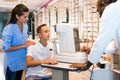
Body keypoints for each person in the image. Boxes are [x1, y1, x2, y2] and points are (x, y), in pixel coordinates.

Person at [70, 0, 118, 70]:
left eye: (99, 12)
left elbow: (102, 41)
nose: (100, 17)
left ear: (103, 5)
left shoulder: (111, 9)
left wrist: (86, 66)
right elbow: (114, 45)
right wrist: (92, 50)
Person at [2, 4, 35, 80]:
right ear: (17, 16)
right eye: (25, 17)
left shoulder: (25, 26)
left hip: (21, 61)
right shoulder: (9, 28)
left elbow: (23, 40)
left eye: (28, 16)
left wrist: (33, 42)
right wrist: (24, 46)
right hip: (12, 63)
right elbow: (6, 48)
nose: (27, 19)